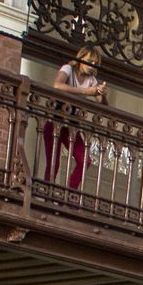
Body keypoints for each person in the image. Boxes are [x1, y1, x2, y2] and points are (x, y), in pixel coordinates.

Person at [44, 45, 106, 188]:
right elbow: (57, 85)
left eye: (96, 64)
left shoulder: (92, 79)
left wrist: (101, 93)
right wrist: (85, 92)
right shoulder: (68, 69)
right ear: (81, 57)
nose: (92, 66)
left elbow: (100, 103)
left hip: (71, 125)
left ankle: (69, 192)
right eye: (90, 61)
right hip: (55, 120)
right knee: (54, 163)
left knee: (85, 160)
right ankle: (46, 193)